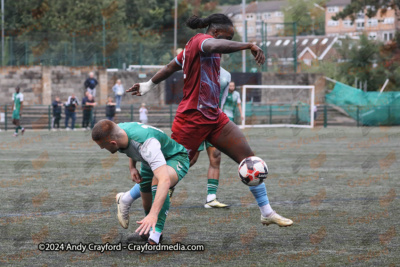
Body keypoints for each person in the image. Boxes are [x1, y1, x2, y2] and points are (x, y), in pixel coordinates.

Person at [127, 13, 292, 227]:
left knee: (249, 159)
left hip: (214, 117)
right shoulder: (201, 42)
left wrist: (149, 84)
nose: (229, 41)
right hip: (191, 120)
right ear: (214, 33)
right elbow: (213, 46)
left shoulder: (197, 48)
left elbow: (170, 67)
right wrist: (248, 45)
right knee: (168, 175)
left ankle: (266, 212)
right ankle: (133, 206)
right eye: (227, 37)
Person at [92, 120, 190, 245]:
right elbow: (130, 145)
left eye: (103, 147)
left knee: (158, 181)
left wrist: (154, 215)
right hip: (148, 159)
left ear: (113, 143)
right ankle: (148, 230)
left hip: (174, 157)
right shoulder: (118, 131)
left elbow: (164, 180)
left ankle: (155, 236)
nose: (102, 149)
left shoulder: (147, 145)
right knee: (146, 198)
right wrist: (132, 167)